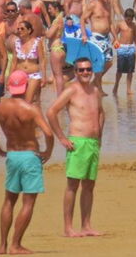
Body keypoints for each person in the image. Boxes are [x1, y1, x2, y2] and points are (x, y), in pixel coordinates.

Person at [0, 70, 54, 255]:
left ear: (10, 87)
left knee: (9, 200)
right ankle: (16, 245)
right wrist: (48, 152)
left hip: (12, 155)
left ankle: (2, 245)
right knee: (28, 202)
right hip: (29, 156)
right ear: (25, 86)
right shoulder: (31, 109)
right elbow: (48, 133)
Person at [47, 56, 105, 238]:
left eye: (88, 69)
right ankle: (68, 227)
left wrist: (100, 134)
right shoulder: (71, 90)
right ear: (76, 72)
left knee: (89, 186)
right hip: (77, 142)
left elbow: (101, 112)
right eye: (81, 70)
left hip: (93, 143)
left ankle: (86, 225)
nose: (85, 72)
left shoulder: (95, 90)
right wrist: (62, 138)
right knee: (73, 185)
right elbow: (51, 112)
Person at [112, 8, 136, 97]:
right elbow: (115, 34)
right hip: (122, 48)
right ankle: (116, 85)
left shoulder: (134, 25)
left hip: (131, 48)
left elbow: (135, 37)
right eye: (128, 19)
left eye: (131, 19)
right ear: (124, 17)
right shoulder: (120, 24)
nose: (129, 21)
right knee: (120, 70)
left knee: (130, 71)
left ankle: (128, 89)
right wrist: (115, 41)